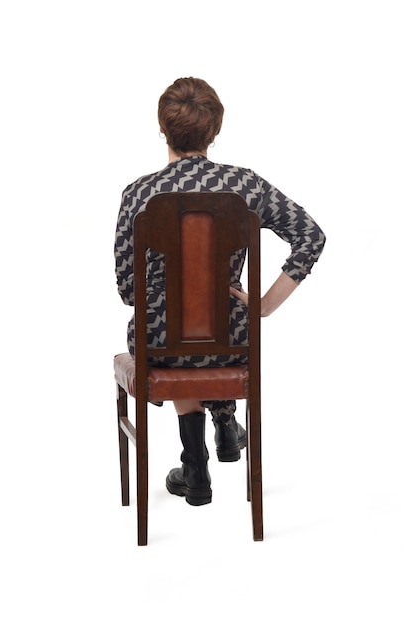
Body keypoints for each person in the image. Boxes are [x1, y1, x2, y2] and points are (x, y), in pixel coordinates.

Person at [115, 77, 326, 507]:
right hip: (232, 340)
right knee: (209, 329)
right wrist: (263, 306)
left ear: (162, 128)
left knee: (174, 331)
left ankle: (196, 468)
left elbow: (127, 290)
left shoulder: (138, 194)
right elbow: (311, 235)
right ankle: (226, 419)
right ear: (215, 131)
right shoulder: (246, 186)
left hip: (159, 343)